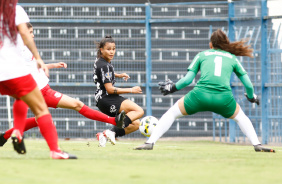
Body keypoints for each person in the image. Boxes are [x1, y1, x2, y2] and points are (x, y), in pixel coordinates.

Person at [134, 29, 275, 153]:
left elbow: (188, 80)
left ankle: (150, 142)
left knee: (172, 113)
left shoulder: (202, 55)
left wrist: (172, 87)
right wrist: (251, 97)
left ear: (210, 44)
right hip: (224, 99)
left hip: (199, 96)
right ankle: (257, 144)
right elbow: (249, 85)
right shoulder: (232, 58)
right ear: (225, 44)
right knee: (241, 118)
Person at [0, 23, 126, 147]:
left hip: (41, 89)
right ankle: (113, 120)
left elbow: (33, 67)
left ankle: (4, 136)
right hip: (41, 92)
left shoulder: (25, 48)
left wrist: (53, 65)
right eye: (30, 33)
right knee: (77, 105)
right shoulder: (19, 50)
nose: (33, 36)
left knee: (40, 119)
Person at [0, 1, 77, 159]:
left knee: (20, 97)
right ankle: (55, 150)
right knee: (41, 109)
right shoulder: (15, 10)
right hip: (14, 70)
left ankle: (17, 131)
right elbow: (25, 34)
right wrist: (39, 58)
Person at [93, 35, 144, 147]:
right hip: (107, 98)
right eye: (108, 49)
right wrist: (131, 90)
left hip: (101, 101)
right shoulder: (105, 65)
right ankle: (111, 132)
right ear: (101, 49)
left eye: (114, 49)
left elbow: (101, 74)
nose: (112, 52)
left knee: (136, 124)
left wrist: (118, 75)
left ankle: (104, 136)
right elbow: (110, 89)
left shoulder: (99, 61)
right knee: (139, 111)